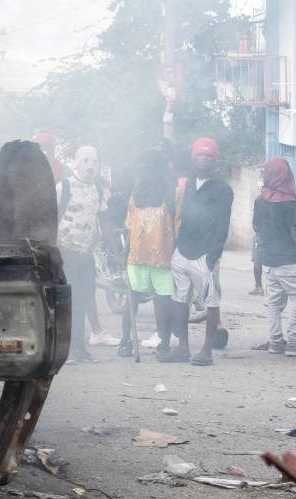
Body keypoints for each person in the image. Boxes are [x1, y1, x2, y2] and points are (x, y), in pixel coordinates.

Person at [164, 137, 233, 366]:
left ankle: (207, 351)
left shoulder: (223, 189)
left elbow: (223, 224)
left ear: (215, 160)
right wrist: (175, 247)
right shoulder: (187, 184)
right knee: (179, 300)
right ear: (193, 158)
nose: (203, 159)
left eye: (208, 156)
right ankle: (183, 347)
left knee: (211, 302)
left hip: (206, 253)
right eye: (199, 155)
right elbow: (179, 215)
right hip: (183, 249)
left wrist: (214, 255)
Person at [251, 157, 296, 356]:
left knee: (274, 304)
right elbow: (295, 232)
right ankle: (294, 342)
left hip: (269, 260)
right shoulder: (288, 202)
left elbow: (256, 226)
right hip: (289, 260)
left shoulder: (260, 199)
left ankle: (275, 342)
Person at [60, 145, 119, 360]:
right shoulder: (64, 187)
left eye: (94, 161)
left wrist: (114, 249)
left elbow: (103, 219)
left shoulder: (98, 189)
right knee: (68, 300)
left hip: (86, 254)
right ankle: (65, 350)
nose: (90, 166)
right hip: (65, 252)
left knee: (83, 298)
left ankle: (78, 348)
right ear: (76, 163)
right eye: (85, 160)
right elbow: (51, 217)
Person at [118, 149, 177, 358]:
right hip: (146, 256)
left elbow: (176, 224)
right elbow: (130, 226)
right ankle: (129, 341)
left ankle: (160, 343)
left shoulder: (168, 192)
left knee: (158, 301)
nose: (145, 174)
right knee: (142, 300)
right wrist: (124, 254)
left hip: (156, 257)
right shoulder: (139, 193)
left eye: (147, 169)